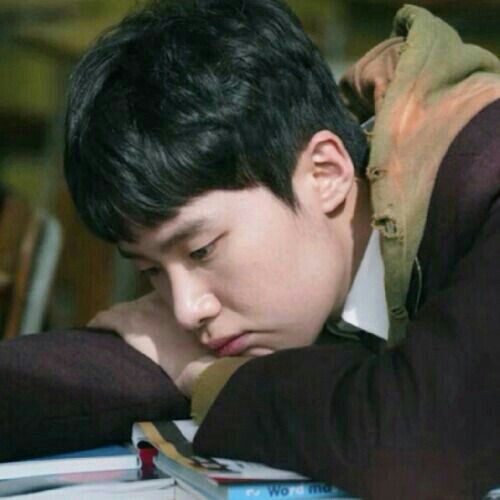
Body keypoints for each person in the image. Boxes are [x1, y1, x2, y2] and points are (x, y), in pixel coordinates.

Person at [15, 0, 500, 497]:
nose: (186, 310)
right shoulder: (307, 251)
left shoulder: (485, 180)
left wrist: (209, 378)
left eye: (202, 251)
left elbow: (419, 442)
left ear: (325, 174)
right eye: (151, 270)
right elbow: (100, 375)